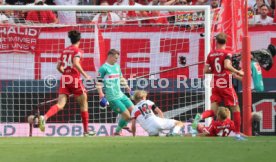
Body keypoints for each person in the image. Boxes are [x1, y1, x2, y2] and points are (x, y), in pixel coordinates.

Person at [39, 30, 95, 137]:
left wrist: (65, 73)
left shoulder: (64, 51)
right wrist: (85, 75)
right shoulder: (78, 50)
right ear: (80, 40)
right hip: (74, 78)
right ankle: (86, 131)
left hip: (65, 78)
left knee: (60, 104)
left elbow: (58, 66)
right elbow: (75, 63)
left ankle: (44, 117)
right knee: (84, 103)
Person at [192, 32, 245, 140]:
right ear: (225, 42)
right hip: (225, 83)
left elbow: (206, 70)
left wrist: (216, 70)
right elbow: (226, 65)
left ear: (216, 42)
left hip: (215, 83)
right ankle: (238, 134)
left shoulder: (211, 54)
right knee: (235, 108)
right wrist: (238, 72)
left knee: (213, 110)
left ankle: (200, 117)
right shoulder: (227, 53)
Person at [96, 49, 134, 136]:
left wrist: (127, 88)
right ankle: (117, 131)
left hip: (121, 94)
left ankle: (123, 124)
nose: (116, 60)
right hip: (112, 97)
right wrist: (101, 94)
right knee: (127, 115)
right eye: (115, 58)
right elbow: (98, 82)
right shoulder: (103, 68)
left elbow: (121, 78)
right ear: (110, 56)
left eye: (117, 58)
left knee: (133, 110)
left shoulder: (117, 66)